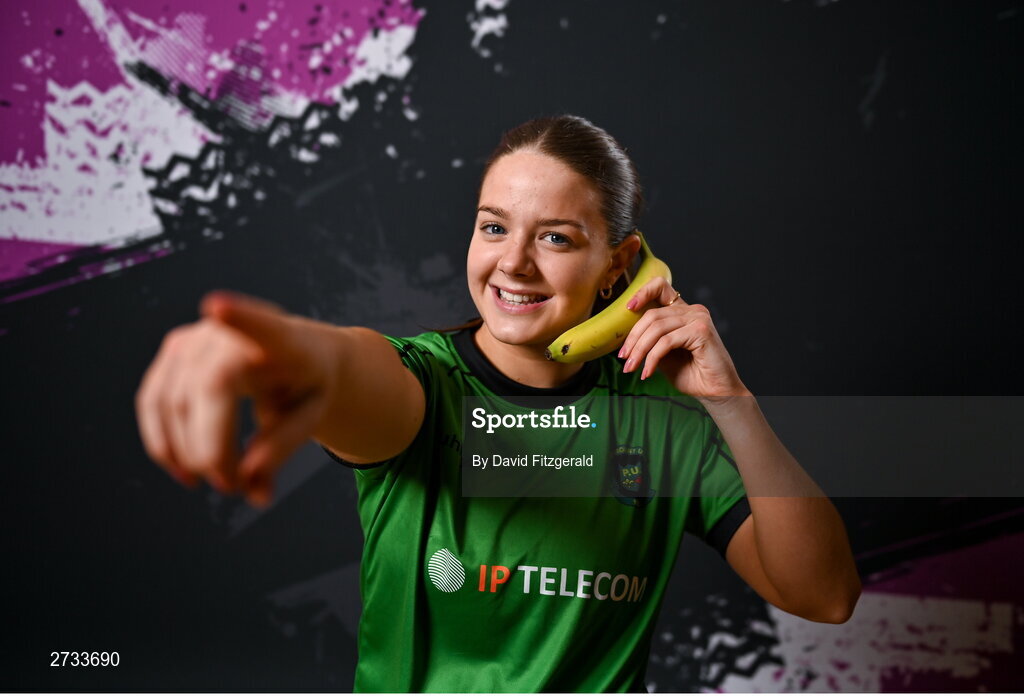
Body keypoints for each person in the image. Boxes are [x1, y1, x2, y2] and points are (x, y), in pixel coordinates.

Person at [135, 115, 861, 692]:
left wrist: (732, 403)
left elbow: (825, 595)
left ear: (618, 265)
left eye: (555, 238)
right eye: (493, 227)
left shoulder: (665, 422)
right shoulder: (427, 385)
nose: (513, 263)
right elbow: (349, 367)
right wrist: (290, 351)